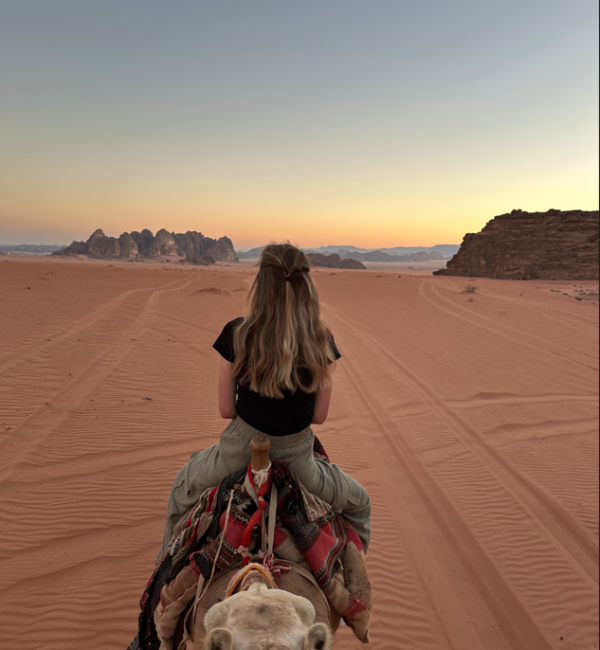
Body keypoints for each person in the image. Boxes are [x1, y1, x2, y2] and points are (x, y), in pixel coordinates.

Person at [158, 243, 371, 561]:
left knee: (181, 489)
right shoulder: (322, 340)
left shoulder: (238, 334)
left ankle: (164, 579)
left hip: (237, 453)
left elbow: (226, 409)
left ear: (262, 285)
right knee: (360, 501)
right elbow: (320, 416)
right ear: (307, 287)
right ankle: (352, 583)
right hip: (299, 461)